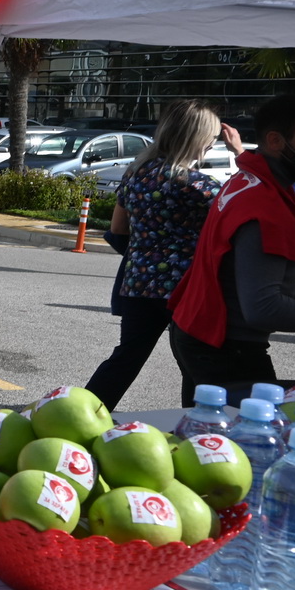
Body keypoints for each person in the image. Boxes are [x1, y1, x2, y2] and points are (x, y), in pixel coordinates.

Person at [169, 94, 295, 404]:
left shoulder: (249, 180)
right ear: (275, 140)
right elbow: (263, 308)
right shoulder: (265, 205)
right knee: (245, 441)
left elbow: (245, 277)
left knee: (204, 432)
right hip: (225, 346)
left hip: (199, 331)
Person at [83, 101, 241, 409]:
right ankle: (195, 430)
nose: (211, 144)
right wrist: (240, 154)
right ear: (197, 138)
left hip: (139, 283)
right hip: (185, 289)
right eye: (210, 137)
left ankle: (81, 413)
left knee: (126, 357)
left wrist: (147, 256)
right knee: (193, 364)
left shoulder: (136, 174)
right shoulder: (199, 186)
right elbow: (239, 226)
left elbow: (118, 230)